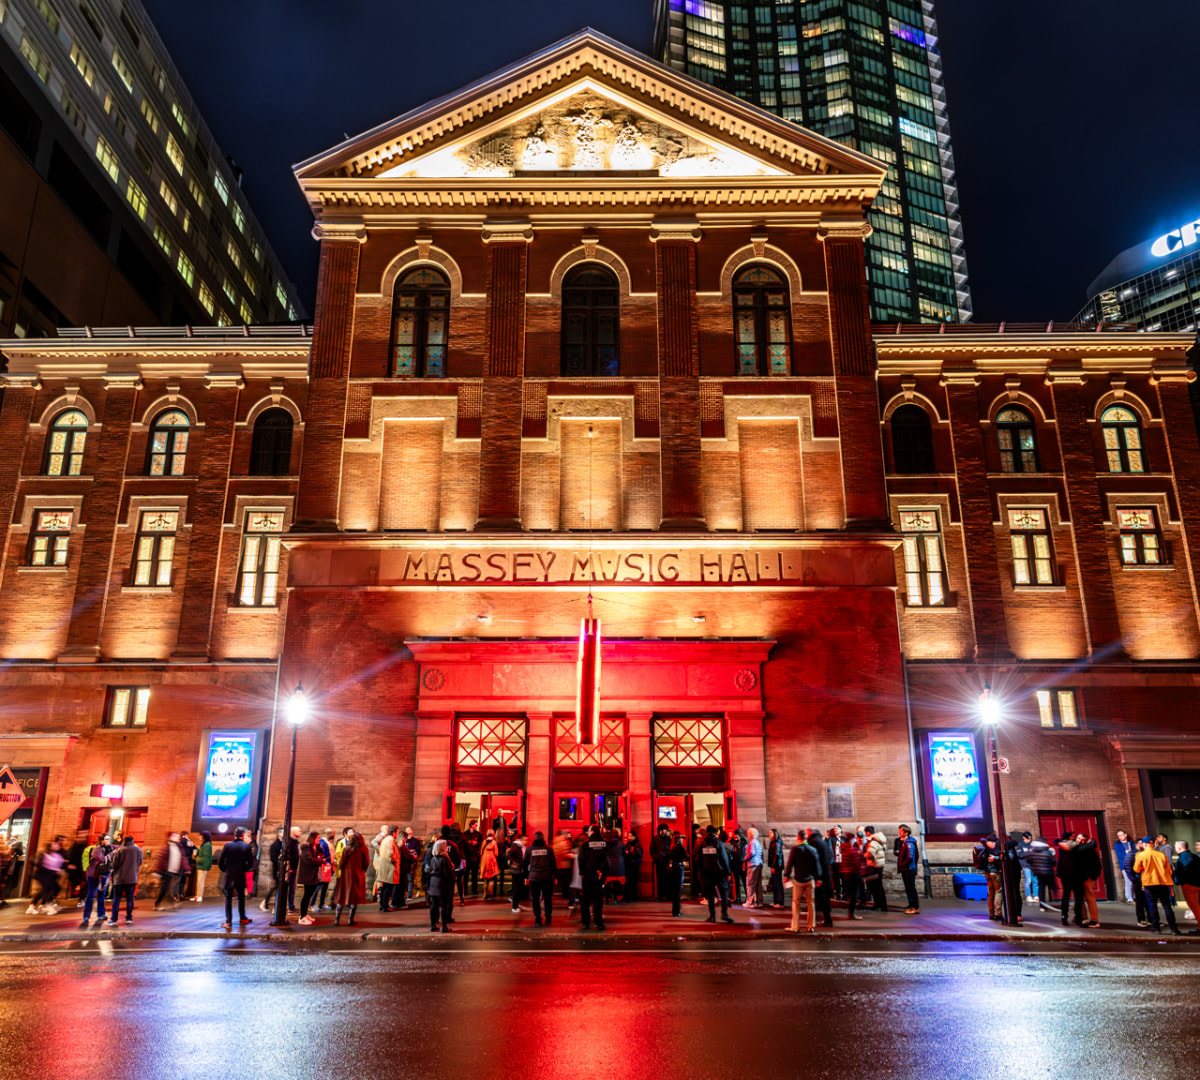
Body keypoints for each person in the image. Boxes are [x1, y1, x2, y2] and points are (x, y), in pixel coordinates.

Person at [1134, 835, 1180, 934]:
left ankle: (1156, 927)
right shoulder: (1161, 854)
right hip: (1163, 882)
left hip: (1149, 882)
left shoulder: (1140, 855)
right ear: (1152, 843)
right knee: (1167, 906)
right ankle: (1173, 929)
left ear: (1144, 844)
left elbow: (1136, 869)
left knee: (1152, 905)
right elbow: (1169, 869)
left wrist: (1142, 869)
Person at [218, 828, 255, 930]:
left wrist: (226, 870)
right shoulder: (246, 847)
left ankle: (228, 921)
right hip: (240, 874)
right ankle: (242, 917)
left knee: (228, 898)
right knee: (241, 897)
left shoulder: (227, 846)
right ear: (242, 835)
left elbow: (220, 861)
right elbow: (250, 863)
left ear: (234, 835)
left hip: (229, 874)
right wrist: (244, 869)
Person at [697, 824, 734, 924]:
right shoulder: (718, 842)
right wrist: (728, 872)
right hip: (719, 872)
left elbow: (697, 858)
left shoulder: (701, 843)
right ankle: (725, 914)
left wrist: (701, 870)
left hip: (707, 873)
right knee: (724, 892)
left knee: (711, 895)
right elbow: (723, 858)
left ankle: (712, 916)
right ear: (714, 832)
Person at [786, 829, 819, 933]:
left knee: (796, 903)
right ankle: (811, 926)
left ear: (798, 838)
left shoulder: (795, 849)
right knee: (811, 903)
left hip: (799, 880)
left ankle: (795, 927)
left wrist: (786, 875)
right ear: (806, 838)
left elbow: (790, 863)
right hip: (810, 880)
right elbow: (817, 866)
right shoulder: (813, 850)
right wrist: (818, 878)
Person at [334, 829, 370, 925]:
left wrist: (343, 870)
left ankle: (336, 920)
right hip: (357, 875)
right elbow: (366, 863)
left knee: (342, 896)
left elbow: (341, 863)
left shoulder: (347, 849)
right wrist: (362, 870)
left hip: (345, 876)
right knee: (354, 898)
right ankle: (350, 919)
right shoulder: (363, 849)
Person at [579, 824, 610, 930]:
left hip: (588, 875)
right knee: (598, 900)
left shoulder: (585, 845)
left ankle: (585, 923)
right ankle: (598, 922)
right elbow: (607, 860)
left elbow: (581, 860)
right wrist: (602, 872)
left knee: (585, 901)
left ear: (591, 832)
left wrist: (582, 873)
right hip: (599, 876)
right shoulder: (605, 844)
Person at [106, 835, 142, 926]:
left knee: (117, 899)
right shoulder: (138, 850)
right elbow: (139, 862)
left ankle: (114, 919)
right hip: (132, 878)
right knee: (130, 899)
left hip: (119, 878)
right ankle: (129, 918)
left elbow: (114, 864)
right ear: (132, 841)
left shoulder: (120, 850)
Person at [524, 830, 557, 927]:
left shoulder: (529, 849)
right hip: (547, 877)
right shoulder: (548, 849)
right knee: (547, 898)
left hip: (534, 877)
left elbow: (525, 864)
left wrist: (526, 877)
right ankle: (548, 916)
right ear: (543, 838)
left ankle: (538, 918)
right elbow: (553, 863)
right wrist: (555, 876)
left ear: (535, 838)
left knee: (535, 899)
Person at [79, 834, 112, 928]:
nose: (109, 840)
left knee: (101, 894)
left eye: (110, 839)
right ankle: (86, 916)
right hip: (94, 874)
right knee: (91, 894)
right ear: (102, 840)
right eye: (107, 839)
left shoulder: (109, 848)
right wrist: (111, 854)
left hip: (104, 875)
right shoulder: (96, 849)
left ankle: (101, 914)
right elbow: (101, 859)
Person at [805, 828, 835, 928]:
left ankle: (826, 920)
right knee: (822, 899)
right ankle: (825, 919)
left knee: (821, 898)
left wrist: (816, 876)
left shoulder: (814, 843)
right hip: (824, 874)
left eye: (807, 832)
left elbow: (814, 860)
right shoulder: (822, 842)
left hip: (819, 876)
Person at [1055, 834, 1086, 927]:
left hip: (1065, 875)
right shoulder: (1079, 848)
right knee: (1079, 897)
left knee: (1066, 896)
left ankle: (1064, 916)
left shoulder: (1062, 847)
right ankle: (1078, 917)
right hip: (1076, 876)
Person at [296, 831, 326, 925]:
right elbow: (309, 860)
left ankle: (305, 914)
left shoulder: (315, 848)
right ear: (313, 838)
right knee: (306, 896)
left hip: (313, 874)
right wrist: (321, 861)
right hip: (307, 875)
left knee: (308, 895)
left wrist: (320, 853)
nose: (319, 839)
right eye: (317, 838)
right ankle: (302, 917)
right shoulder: (306, 848)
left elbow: (319, 855)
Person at [427, 839, 456, 933]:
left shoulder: (433, 858)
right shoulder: (444, 859)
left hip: (433, 883)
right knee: (444, 905)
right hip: (442, 884)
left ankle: (433, 925)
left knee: (434, 905)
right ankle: (444, 926)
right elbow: (448, 873)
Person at [1075, 833, 1103, 928]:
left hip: (1086, 878)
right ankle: (1083, 916)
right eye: (1078, 838)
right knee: (1079, 898)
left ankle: (1094, 920)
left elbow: (1097, 866)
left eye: (1082, 839)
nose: (1080, 841)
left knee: (1089, 898)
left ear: (1086, 841)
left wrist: (1093, 877)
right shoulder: (1089, 850)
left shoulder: (1082, 850)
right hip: (1079, 877)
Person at [974, 834, 1003, 921]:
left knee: (991, 893)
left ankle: (991, 913)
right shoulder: (993, 849)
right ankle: (998, 913)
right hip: (994, 872)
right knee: (998, 892)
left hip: (987, 872)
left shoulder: (984, 848)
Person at [1026, 836, 1057, 911]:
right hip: (1047, 872)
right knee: (1053, 886)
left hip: (1038, 873)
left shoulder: (1032, 852)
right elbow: (1053, 862)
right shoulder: (1048, 851)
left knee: (1041, 889)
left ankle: (1042, 906)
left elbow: (1028, 860)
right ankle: (1057, 896)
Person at [153, 832, 182, 910]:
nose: (178, 837)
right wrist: (156, 870)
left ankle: (163, 904)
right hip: (165, 871)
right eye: (175, 836)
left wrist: (185, 868)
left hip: (172, 871)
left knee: (167, 888)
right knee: (165, 888)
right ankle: (158, 904)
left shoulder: (178, 847)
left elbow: (182, 859)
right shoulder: (166, 847)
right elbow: (160, 859)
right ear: (170, 837)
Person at [897, 824, 921, 915]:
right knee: (908, 888)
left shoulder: (909, 843)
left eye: (901, 831)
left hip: (909, 869)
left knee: (911, 888)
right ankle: (911, 904)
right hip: (906, 869)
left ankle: (915, 907)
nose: (899, 832)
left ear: (906, 832)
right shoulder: (904, 842)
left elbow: (910, 857)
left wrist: (902, 865)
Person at [377, 826, 402, 912]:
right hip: (389, 866)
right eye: (397, 832)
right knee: (388, 887)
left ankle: (382, 905)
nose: (398, 834)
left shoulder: (385, 839)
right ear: (394, 832)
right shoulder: (390, 840)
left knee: (385, 887)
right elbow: (390, 853)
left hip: (385, 865)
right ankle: (384, 906)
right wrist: (395, 861)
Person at [863, 827, 888, 913]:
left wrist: (862, 855)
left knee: (875, 887)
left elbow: (869, 854)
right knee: (879, 886)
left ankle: (878, 905)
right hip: (879, 865)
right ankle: (883, 905)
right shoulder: (879, 840)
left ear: (868, 833)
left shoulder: (873, 842)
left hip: (874, 866)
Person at [1176, 841, 1200, 932]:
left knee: (1195, 906)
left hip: (1190, 885)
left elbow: (1183, 871)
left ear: (1179, 848)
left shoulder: (1183, 858)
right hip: (1197, 884)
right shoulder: (1194, 856)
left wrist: (1179, 881)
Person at [842, 835, 867, 920]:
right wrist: (862, 872)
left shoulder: (844, 850)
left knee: (852, 895)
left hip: (847, 875)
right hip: (854, 875)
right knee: (855, 896)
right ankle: (851, 914)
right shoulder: (852, 850)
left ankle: (851, 913)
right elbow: (857, 863)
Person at [261, 827, 285, 912]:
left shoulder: (283, 844)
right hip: (277, 869)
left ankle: (267, 903)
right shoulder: (276, 845)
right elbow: (273, 858)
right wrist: (279, 861)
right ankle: (265, 903)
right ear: (279, 834)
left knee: (277, 887)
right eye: (282, 832)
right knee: (276, 887)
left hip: (281, 869)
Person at [312, 829, 335, 911]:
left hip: (328, 867)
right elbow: (322, 855)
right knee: (319, 886)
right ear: (328, 834)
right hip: (323, 867)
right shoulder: (322, 843)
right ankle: (312, 904)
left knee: (325, 886)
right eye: (332, 833)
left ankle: (322, 904)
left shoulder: (330, 843)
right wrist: (326, 861)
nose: (333, 835)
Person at [666, 830, 687, 917]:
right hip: (679, 867)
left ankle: (674, 911)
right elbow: (685, 857)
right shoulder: (681, 848)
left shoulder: (671, 849)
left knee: (674, 890)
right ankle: (677, 911)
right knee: (678, 890)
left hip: (672, 868)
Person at [742, 827, 763, 908]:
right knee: (758, 884)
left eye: (748, 833)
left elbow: (751, 852)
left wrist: (745, 858)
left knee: (750, 883)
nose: (747, 835)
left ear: (751, 834)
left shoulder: (752, 842)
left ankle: (750, 902)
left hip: (752, 864)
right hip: (758, 864)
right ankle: (759, 901)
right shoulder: (757, 842)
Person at [461, 820, 483, 896]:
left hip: (475, 857)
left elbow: (481, 843)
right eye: (475, 825)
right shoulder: (465, 834)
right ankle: (465, 890)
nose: (476, 826)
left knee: (474, 874)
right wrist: (468, 842)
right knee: (466, 874)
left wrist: (477, 843)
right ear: (471, 825)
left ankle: (474, 889)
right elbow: (462, 844)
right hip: (467, 857)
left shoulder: (478, 834)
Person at [650, 824, 671, 901]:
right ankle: (660, 896)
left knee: (667, 879)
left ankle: (667, 895)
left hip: (666, 861)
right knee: (660, 879)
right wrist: (657, 858)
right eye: (665, 829)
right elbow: (652, 850)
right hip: (659, 862)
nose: (666, 831)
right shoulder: (655, 839)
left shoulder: (668, 838)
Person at [1113, 830, 1135, 904]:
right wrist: (1128, 855)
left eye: (1121, 835)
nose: (1120, 837)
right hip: (1125, 865)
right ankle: (1129, 898)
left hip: (1134, 864)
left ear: (1125, 835)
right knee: (1128, 881)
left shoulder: (1131, 843)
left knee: (1135, 881)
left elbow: (1135, 852)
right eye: (1118, 835)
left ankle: (1135, 897)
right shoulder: (1117, 844)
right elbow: (1120, 855)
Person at [604, 830, 626, 904]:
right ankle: (615, 898)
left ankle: (607, 898)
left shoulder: (606, 843)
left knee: (608, 883)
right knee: (617, 884)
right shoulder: (621, 843)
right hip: (619, 865)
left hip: (609, 865)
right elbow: (624, 853)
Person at [507, 834, 527, 913]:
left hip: (520, 869)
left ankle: (515, 904)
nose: (526, 841)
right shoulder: (516, 846)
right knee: (516, 887)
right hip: (516, 870)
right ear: (521, 840)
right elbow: (509, 855)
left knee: (519, 887)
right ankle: (514, 906)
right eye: (525, 840)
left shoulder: (522, 847)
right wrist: (514, 863)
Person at [767, 828, 786, 908]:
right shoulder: (773, 842)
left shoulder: (776, 843)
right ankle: (776, 901)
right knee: (775, 883)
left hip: (777, 866)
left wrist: (774, 866)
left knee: (777, 883)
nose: (769, 835)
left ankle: (779, 902)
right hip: (775, 865)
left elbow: (776, 855)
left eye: (770, 833)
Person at [193, 831, 213, 902]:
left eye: (200, 835)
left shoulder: (207, 845)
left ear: (204, 836)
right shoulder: (204, 844)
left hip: (203, 866)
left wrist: (196, 858)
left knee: (200, 881)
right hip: (201, 865)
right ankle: (197, 895)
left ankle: (200, 896)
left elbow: (205, 857)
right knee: (198, 881)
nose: (199, 837)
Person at [1016, 831, 1035, 903]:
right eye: (1028, 838)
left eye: (1030, 838)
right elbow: (1020, 855)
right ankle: (1028, 896)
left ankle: (1036, 896)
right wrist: (1028, 852)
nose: (1029, 840)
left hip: (1033, 865)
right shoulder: (1020, 845)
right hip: (1026, 865)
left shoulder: (1032, 844)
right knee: (1028, 881)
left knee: (1035, 881)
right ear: (1024, 838)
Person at [623, 830, 643, 902]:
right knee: (629, 881)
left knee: (632, 882)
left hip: (634, 865)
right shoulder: (629, 843)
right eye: (628, 836)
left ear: (634, 836)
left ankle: (632, 897)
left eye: (631, 836)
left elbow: (637, 854)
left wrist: (628, 853)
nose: (629, 837)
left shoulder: (637, 844)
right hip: (630, 865)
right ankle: (628, 897)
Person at [481, 830, 500, 899]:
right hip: (492, 860)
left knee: (485, 879)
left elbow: (481, 851)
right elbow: (496, 853)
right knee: (492, 878)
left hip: (485, 860)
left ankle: (484, 894)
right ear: (493, 834)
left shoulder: (484, 841)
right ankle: (490, 892)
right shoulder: (494, 842)